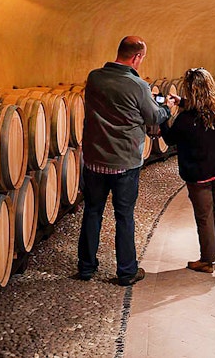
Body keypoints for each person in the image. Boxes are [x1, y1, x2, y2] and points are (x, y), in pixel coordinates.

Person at [75, 36, 171, 286]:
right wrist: (168, 107)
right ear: (137, 57)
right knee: (124, 216)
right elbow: (154, 116)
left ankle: (86, 267)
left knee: (92, 212)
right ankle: (126, 271)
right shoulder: (138, 85)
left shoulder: (94, 77)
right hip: (124, 162)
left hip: (95, 159)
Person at [160, 67, 215, 273]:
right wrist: (182, 101)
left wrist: (165, 114)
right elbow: (201, 109)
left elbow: (169, 138)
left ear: (190, 90)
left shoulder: (185, 120)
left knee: (204, 216)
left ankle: (206, 260)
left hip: (200, 175)